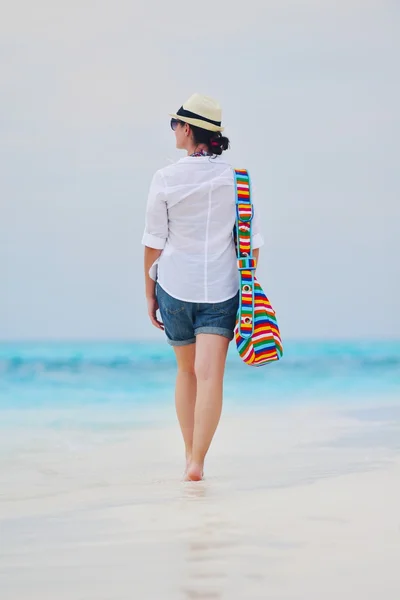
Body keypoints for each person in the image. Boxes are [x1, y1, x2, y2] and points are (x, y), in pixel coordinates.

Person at [142, 93, 264, 481]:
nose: (173, 130)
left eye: (175, 124)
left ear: (189, 129)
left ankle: (187, 454)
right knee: (211, 375)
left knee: (186, 373)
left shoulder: (164, 178)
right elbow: (251, 243)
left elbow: (153, 242)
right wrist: (245, 293)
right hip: (222, 290)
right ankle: (198, 462)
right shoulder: (237, 179)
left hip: (175, 286)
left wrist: (149, 291)